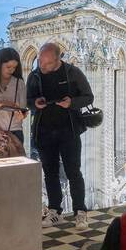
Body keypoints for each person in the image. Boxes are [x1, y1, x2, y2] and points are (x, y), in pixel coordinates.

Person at [27, 41, 94, 227]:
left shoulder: (73, 73)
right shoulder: (34, 76)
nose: (42, 66)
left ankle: (80, 211)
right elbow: (28, 100)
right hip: (44, 132)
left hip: (69, 131)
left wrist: (71, 102)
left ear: (58, 60)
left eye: (46, 63)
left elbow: (88, 97)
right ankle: (54, 211)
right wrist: (35, 103)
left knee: (74, 172)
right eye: (40, 61)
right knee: (50, 173)